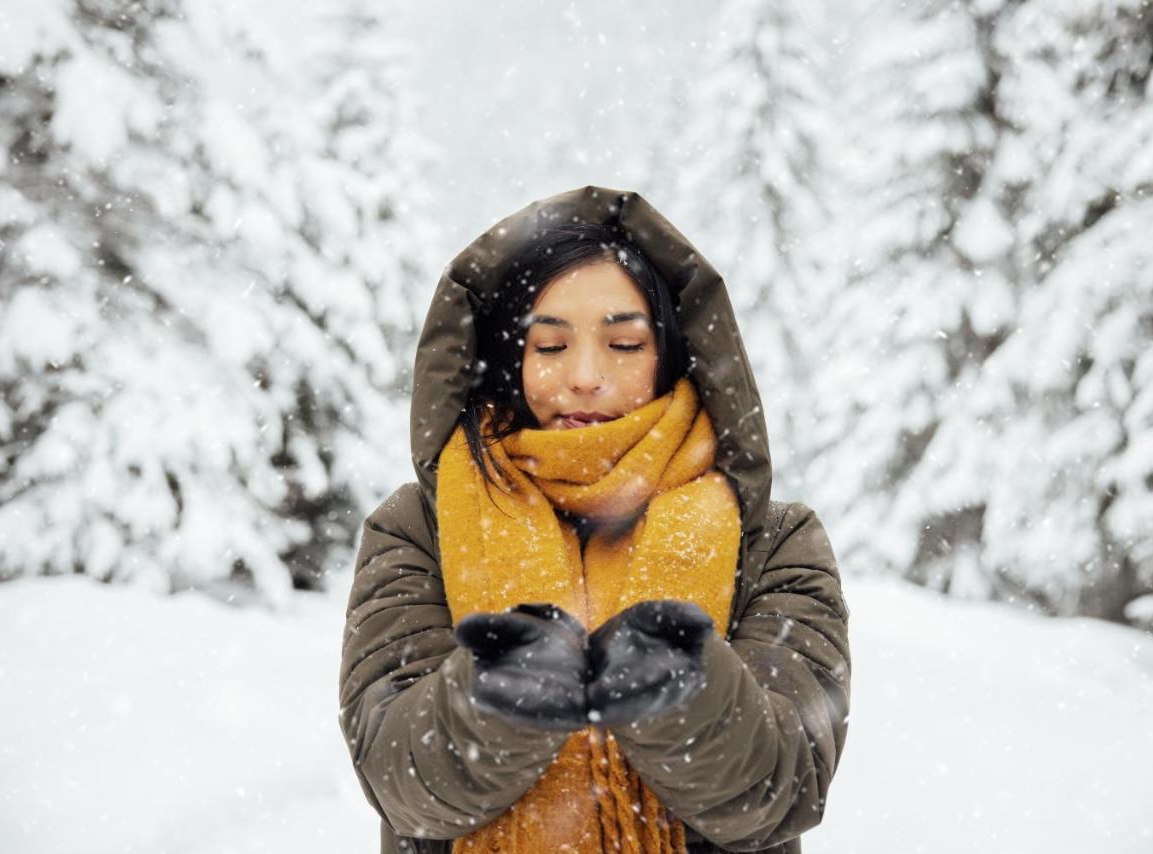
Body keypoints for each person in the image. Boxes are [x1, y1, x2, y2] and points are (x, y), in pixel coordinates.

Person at [338, 185, 852, 854]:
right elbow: (400, 780)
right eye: (549, 348)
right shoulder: (414, 530)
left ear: (669, 354)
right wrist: (493, 697)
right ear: (507, 363)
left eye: (624, 344)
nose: (584, 376)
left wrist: (688, 692)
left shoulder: (774, 541)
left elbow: (783, 788)